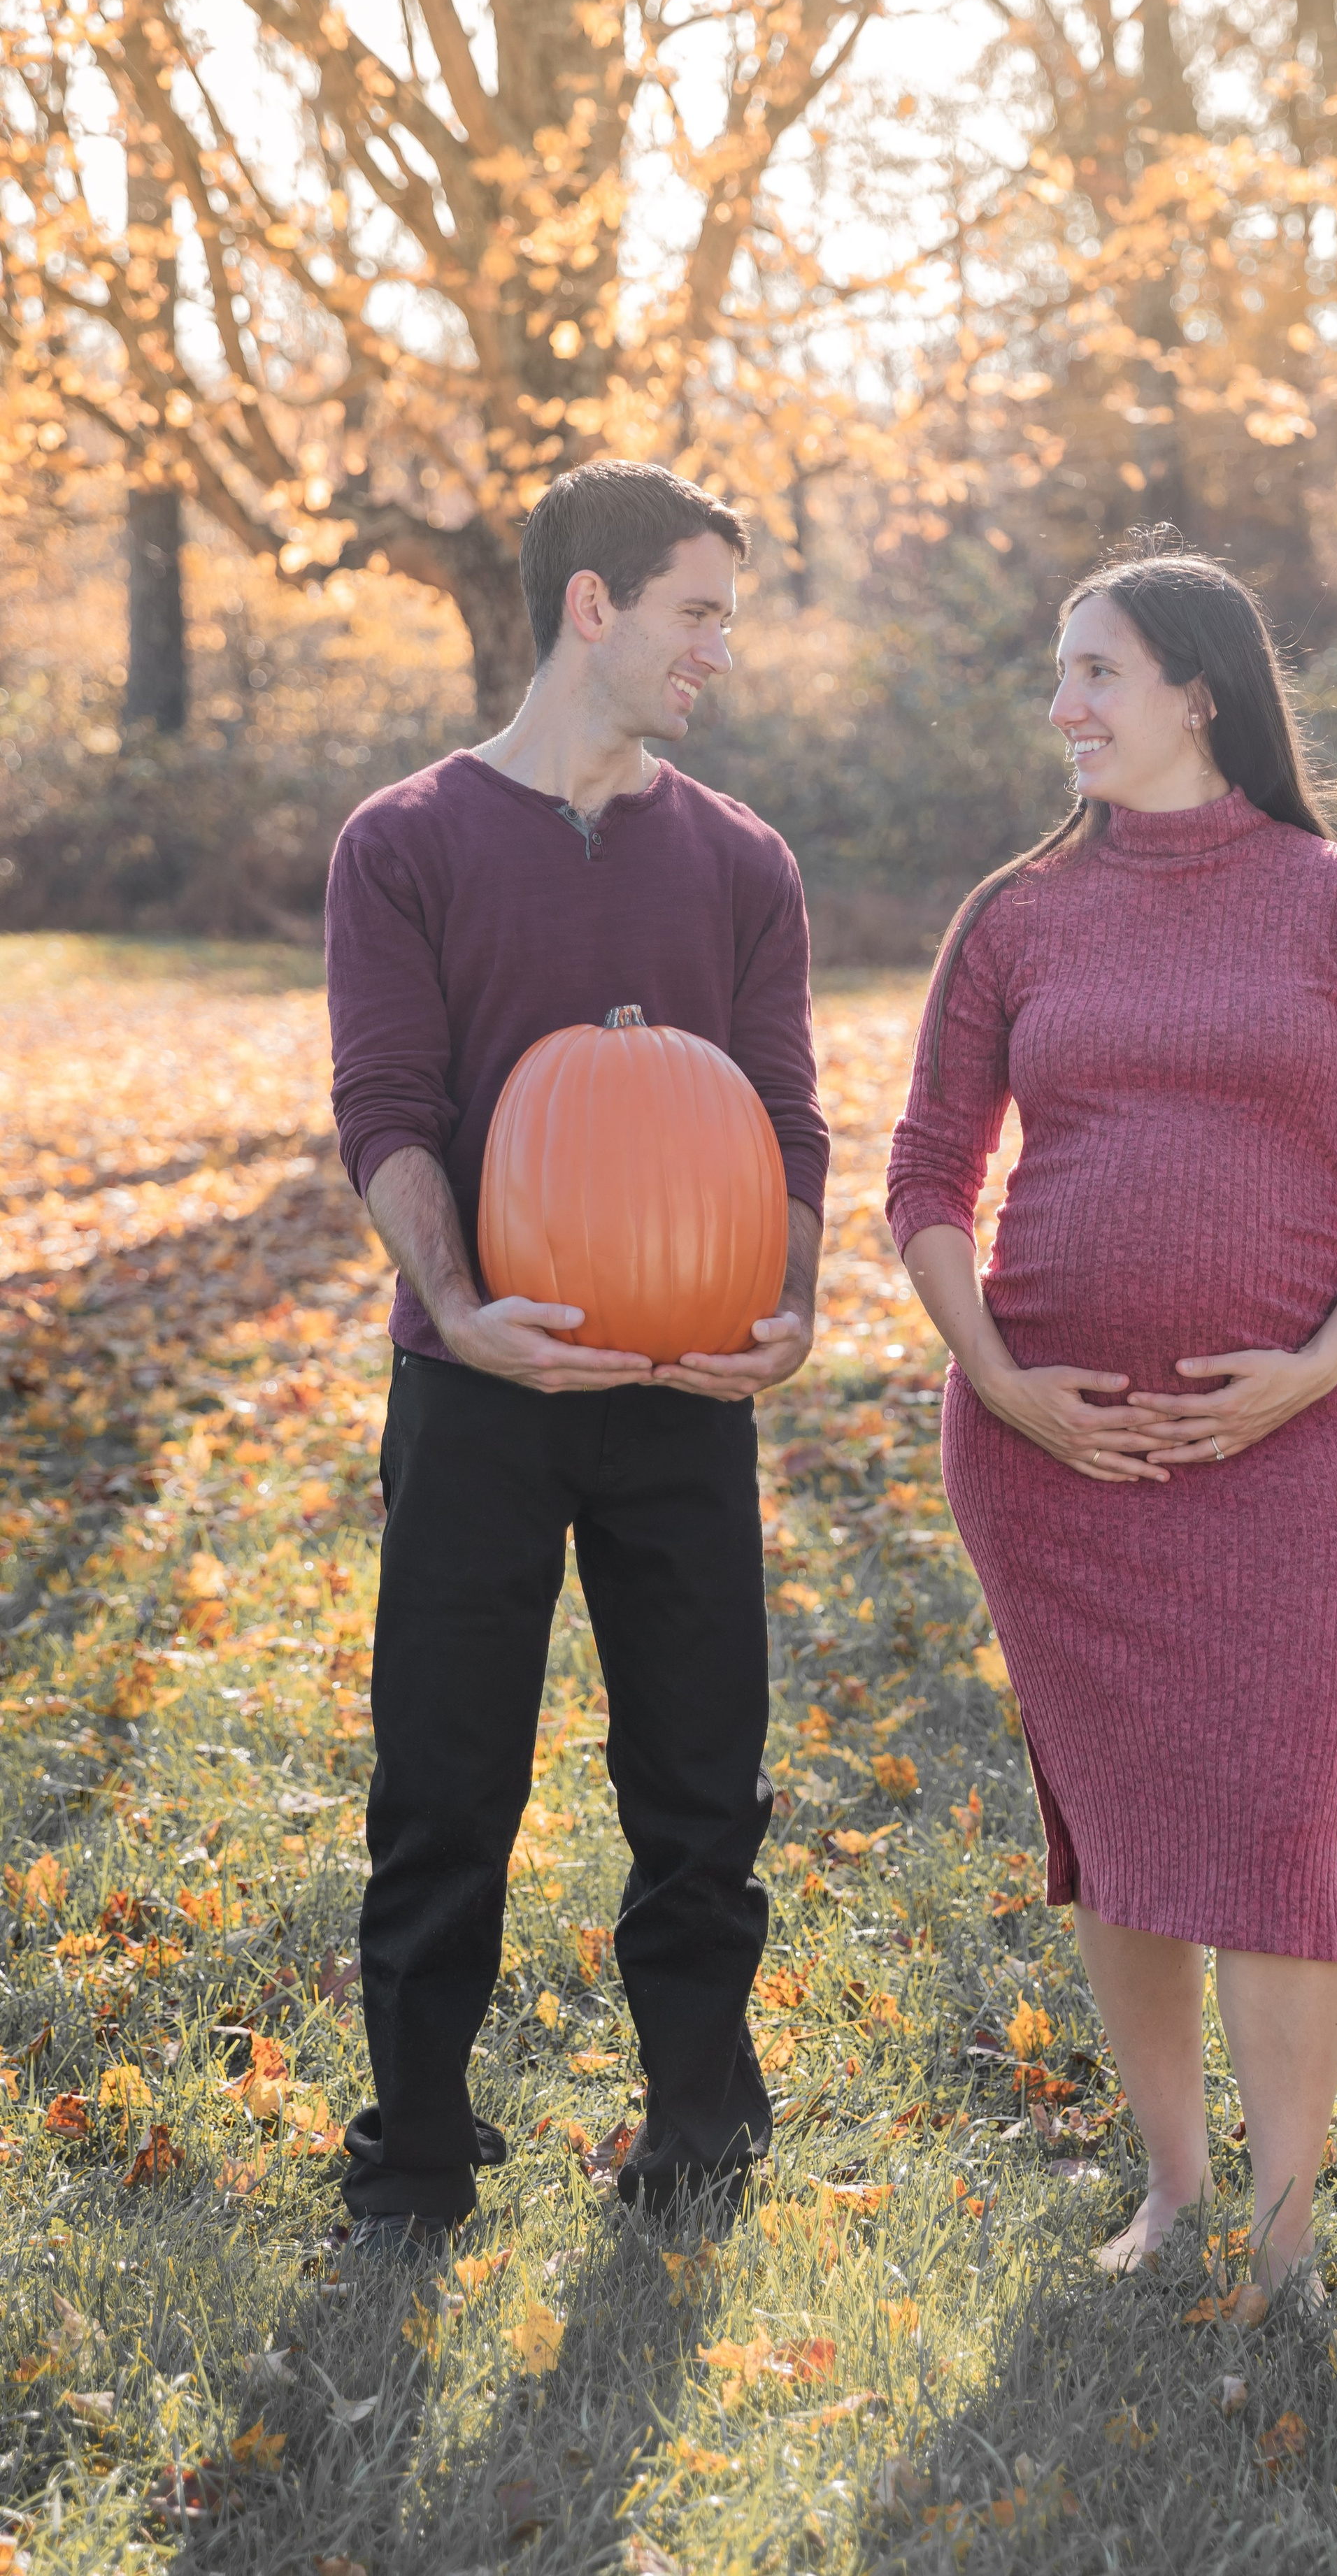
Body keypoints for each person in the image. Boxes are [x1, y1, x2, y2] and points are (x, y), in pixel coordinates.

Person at [885, 542, 1337, 2291]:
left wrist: (1318, 1362)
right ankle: (1170, 2188)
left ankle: (1286, 2243)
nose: (1061, 704)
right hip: (1050, 1462)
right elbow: (925, 1173)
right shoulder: (1013, 913)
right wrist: (1001, 1382)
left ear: (1196, 692)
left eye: (1097, 671)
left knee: (1273, 1820)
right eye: (1058, 672)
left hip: (1294, 1446)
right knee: (1123, 1826)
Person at [324, 459, 828, 2256]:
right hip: (477, 1390)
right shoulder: (406, 841)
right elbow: (385, 1106)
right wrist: (461, 1307)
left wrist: (790, 1302)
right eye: (695, 610)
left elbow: (785, 1114)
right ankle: (415, 2154)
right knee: (443, 1778)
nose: (717, 649)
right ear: (592, 606)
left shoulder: (742, 860)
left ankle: (697, 2130)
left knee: (699, 1782)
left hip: (686, 1391)